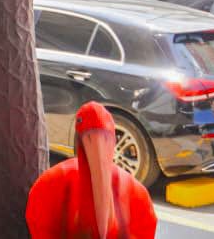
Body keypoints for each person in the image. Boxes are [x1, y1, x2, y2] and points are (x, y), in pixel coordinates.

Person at [26, 102, 156, 239]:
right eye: (90, 137)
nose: (98, 150)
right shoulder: (47, 190)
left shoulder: (138, 200)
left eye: (105, 139)